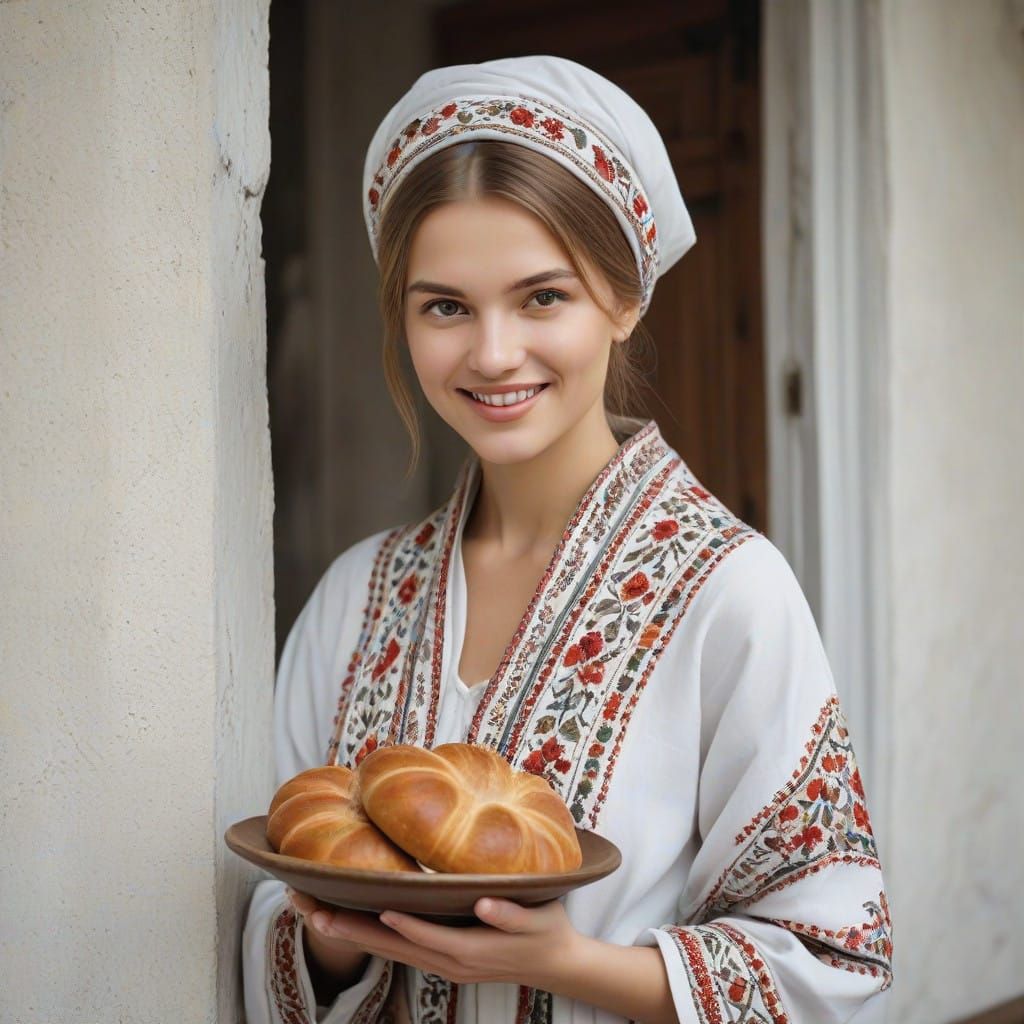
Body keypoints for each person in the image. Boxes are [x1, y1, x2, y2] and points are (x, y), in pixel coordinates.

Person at [242, 55, 892, 1024]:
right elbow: (265, 901)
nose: (493, 353)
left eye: (541, 296)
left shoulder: (728, 593)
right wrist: (330, 937)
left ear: (625, 299)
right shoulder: (354, 595)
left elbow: (838, 959)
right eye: (445, 306)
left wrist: (571, 962)